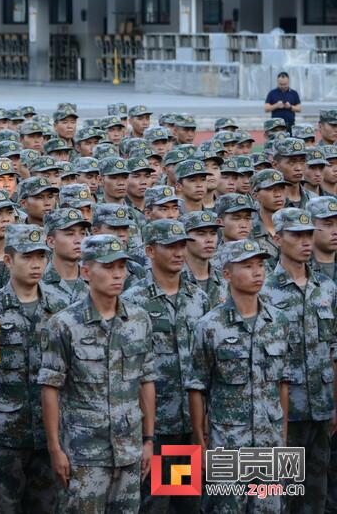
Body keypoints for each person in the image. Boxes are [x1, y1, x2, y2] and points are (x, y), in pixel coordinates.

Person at [38, 234, 156, 513]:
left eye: (121, 267)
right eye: (108, 267)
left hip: (129, 449)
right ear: (86, 271)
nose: (118, 275)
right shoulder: (64, 324)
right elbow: (50, 388)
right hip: (83, 452)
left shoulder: (139, 320)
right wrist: (55, 448)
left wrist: (148, 440)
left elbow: (146, 380)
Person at [187, 239, 290, 514]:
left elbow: (282, 384)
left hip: (270, 441)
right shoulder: (209, 326)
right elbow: (197, 386)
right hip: (228, 442)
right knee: (224, 508)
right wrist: (200, 440)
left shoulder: (278, 322)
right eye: (247, 266)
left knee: (270, 509)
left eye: (260, 265)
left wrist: (283, 434)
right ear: (227, 274)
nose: (257, 272)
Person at [122, 219, 209, 514]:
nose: (178, 253)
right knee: (155, 506)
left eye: (182, 245)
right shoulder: (134, 301)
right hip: (154, 427)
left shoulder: (199, 298)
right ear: (149, 250)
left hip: (192, 424)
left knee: (187, 503)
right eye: (169, 246)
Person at [260, 208, 337, 514]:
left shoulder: (326, 289)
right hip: (281, 412)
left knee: (315, 495)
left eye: (309, 235)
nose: (305, 242)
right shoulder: (263, 290)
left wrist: (334, 403)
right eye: (296, 235)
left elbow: (333, 348)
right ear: (278, 239)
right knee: (275, 494)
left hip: (320, 407)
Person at [0, 224, 62, 514]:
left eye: (41, 256)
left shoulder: (61, 307)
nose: (36, 264)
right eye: (27, 257)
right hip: (5, 433)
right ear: (8, 260)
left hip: (49, 433)